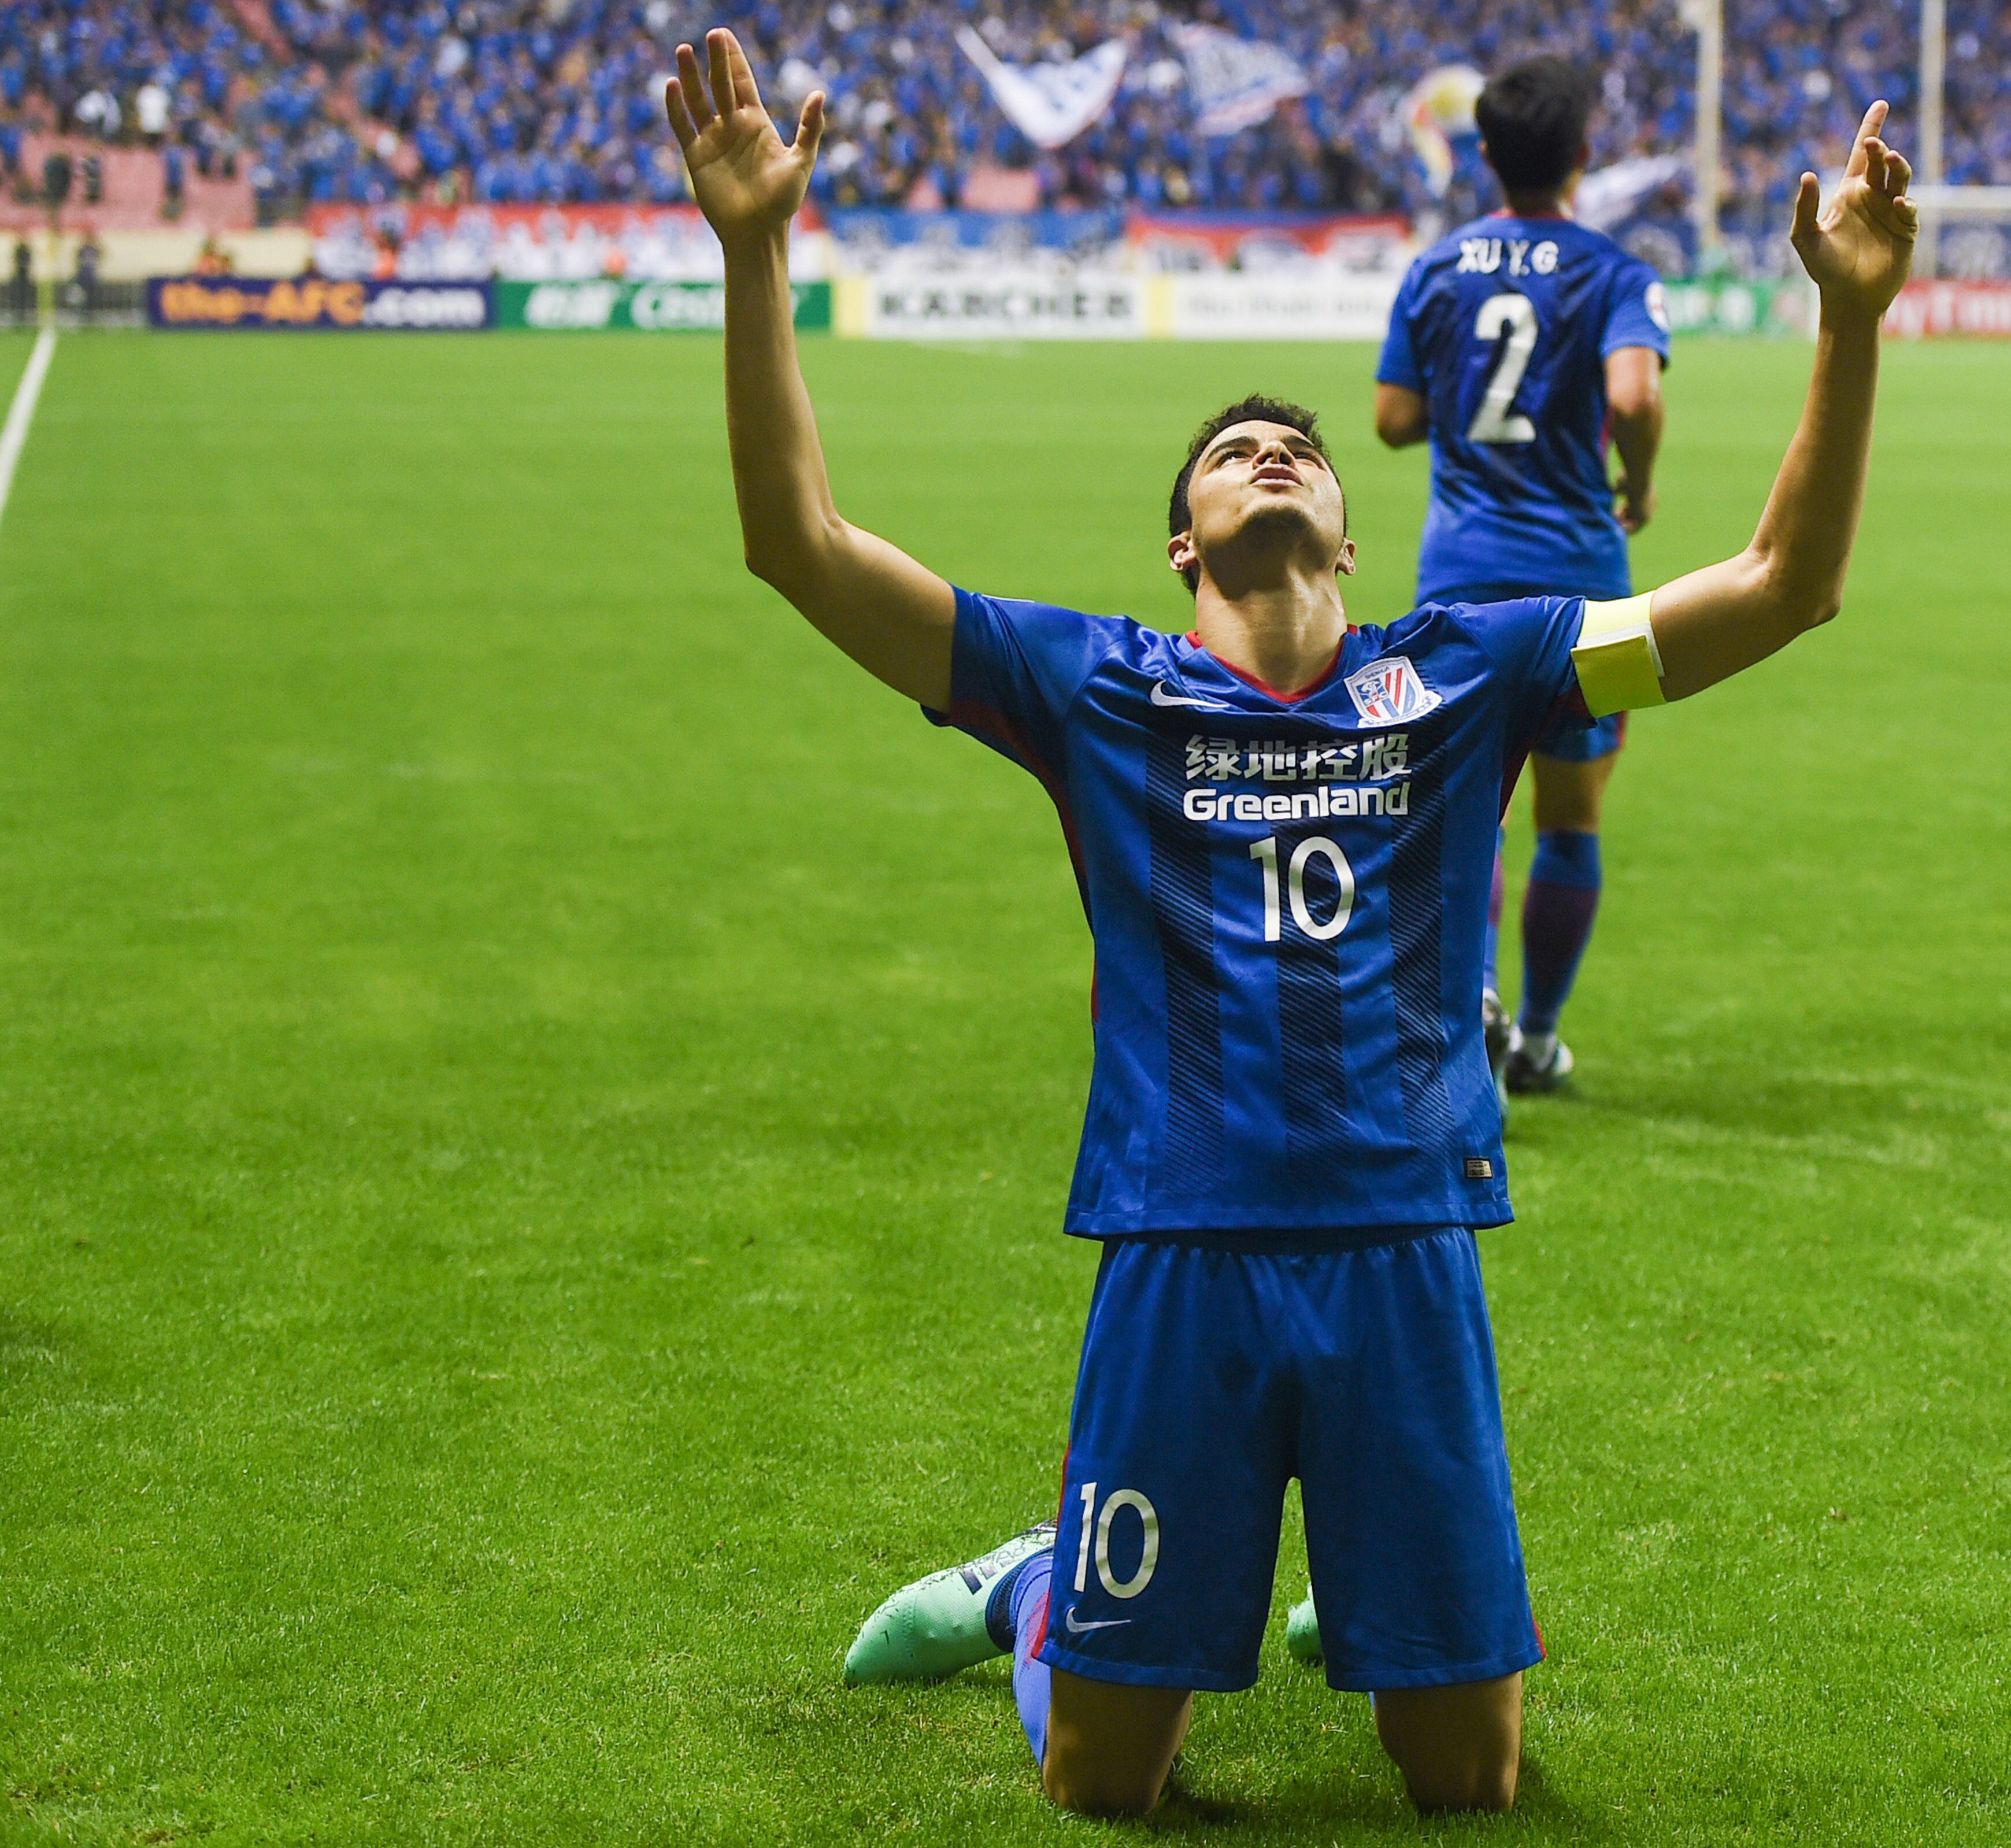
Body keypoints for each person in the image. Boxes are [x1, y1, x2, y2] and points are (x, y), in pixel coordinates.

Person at [663, 26, 1915, 1817]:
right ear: (1183, 544)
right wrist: (755, 252)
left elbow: (1783, 587)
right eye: (1229, 454)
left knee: (1462, 1777)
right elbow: (799, 543)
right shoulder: (1091, 685)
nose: (1265, 458)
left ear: (1339, 525)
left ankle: (1323, 1590)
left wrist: (1848, 323)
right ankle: (1044, 1583)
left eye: (1291, 452)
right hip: (1180, 1248)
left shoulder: (1471, 666)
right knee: (1103, 1783)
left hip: (1404, 1247)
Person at [1372, 56, 1669, 1097]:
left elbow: (1391, 419)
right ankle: (1538, 1037)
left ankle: (1476, 1005)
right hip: (1591, 578)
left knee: (1468, 809)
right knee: (1574, 816)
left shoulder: (1437, 265)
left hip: (1458, 574)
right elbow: (1632, 396)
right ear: (1585, 154)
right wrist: (1636, 479)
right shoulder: (1614, 271)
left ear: (1484, 153)